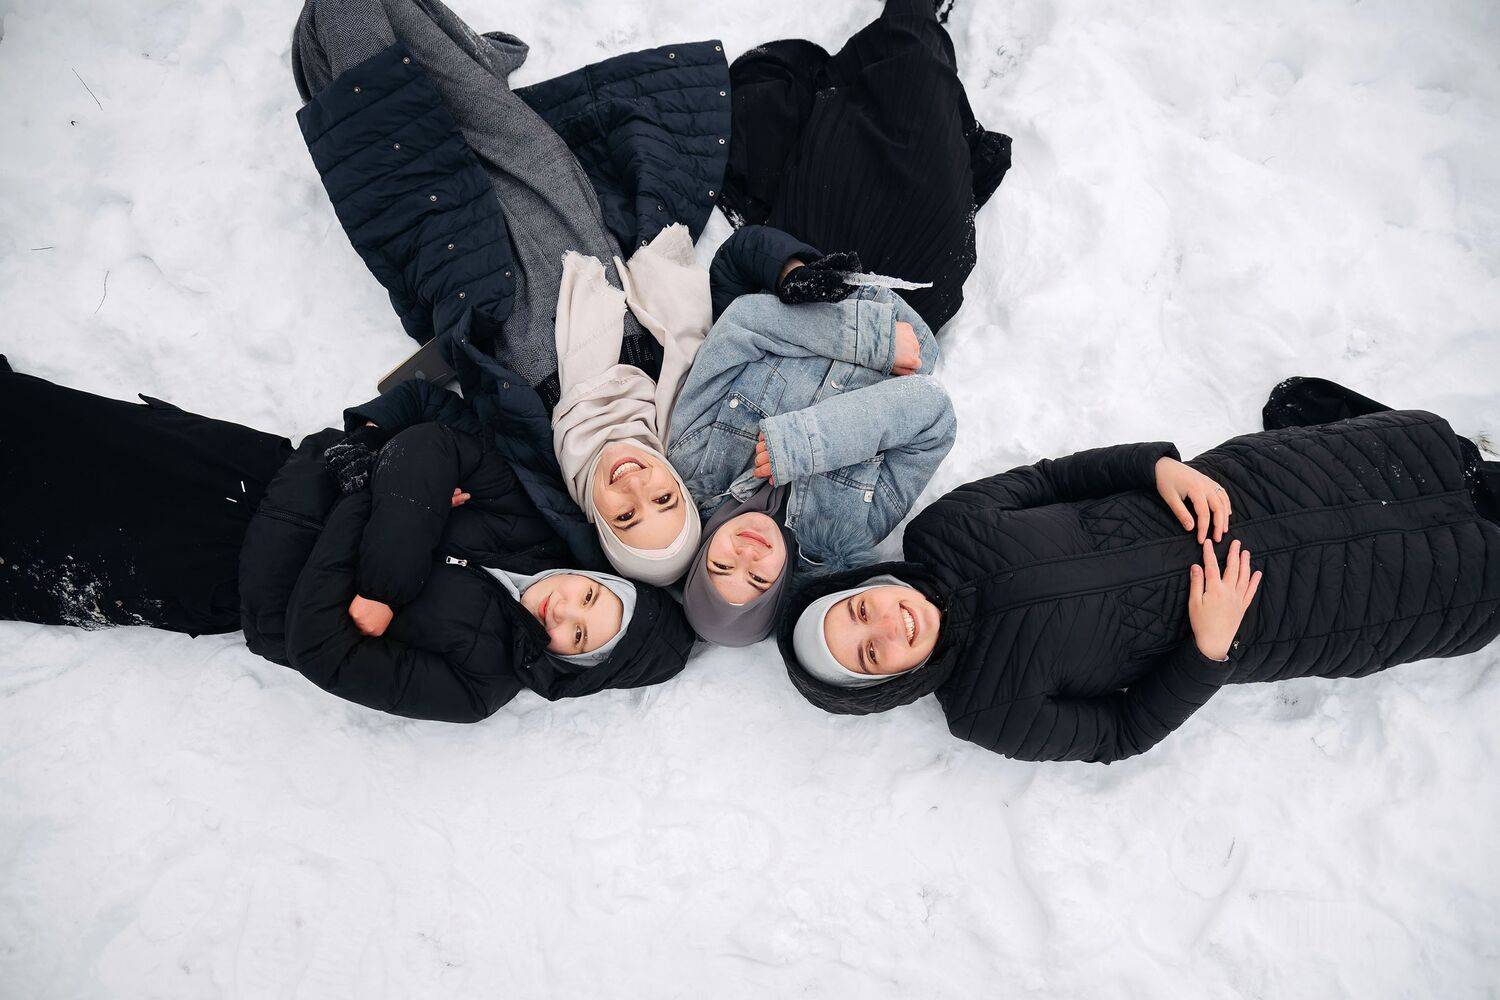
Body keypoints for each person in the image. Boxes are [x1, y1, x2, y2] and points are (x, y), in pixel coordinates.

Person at [777, 378, 1500, 761]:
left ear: (861, 587)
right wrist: (1208, 649)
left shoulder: (945, 530)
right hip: (1290, 609)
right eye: (870, 655)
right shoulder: (988, 712)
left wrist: (1156, 468)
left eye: (858, 612)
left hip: (1251, 491)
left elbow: (1052, 479)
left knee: (1432, 461)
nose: (888, 627)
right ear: (886, 684)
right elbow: (1121, 732)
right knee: (1469, 577)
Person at [0, 358, 695, 722]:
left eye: (579, 636)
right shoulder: (528, 529)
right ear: (596, 578)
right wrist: (380, 589)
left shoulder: (476, 686)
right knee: (69, 430)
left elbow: (316, 648)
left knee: (40, 545)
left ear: (577, 666)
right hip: (260, 474)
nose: (562, 610)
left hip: (223, 576)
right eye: (588, 599)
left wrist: (370, 496)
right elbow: (432, 446)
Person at [667, 224, 957, 645]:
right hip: (917, 312)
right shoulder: (852, 530)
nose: (747, 555)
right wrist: (807, 444)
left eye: (722, 567)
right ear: (781, 586)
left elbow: (744, 325)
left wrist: (870, 341)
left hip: (819, 268)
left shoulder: (693, 462)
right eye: (758, 580)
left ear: (700, 555)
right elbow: (932, 415)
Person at [719, 0, 1012, 331]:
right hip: (905, 292)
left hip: (824, 268)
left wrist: (787, 272)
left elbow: (737, 271)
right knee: (916, 84)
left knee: (909, 89)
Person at [549, 225, 710, 585]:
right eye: (664, 498)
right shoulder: (670, 379)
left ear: (601, 526)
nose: (635, 486)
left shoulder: (530, 430)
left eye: (625, 517)